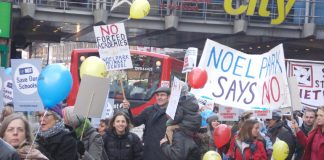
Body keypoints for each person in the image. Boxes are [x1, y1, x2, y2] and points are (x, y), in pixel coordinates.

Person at [122, 86, 170, 160]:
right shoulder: (149, 110)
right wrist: (128, 110)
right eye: (157, 95)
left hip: (164, 151)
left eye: (162, 95)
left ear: (168, 97)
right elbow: (135, 122)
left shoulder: (172, 112)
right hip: (149, 151)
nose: (159, 97)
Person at [159, 86, 202, 160]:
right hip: (193, 125)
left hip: (185, 125)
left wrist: (164, 144)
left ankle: (170, 143)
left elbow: (178, 117)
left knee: (169, 128)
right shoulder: (192, 100)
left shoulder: (180, 102)